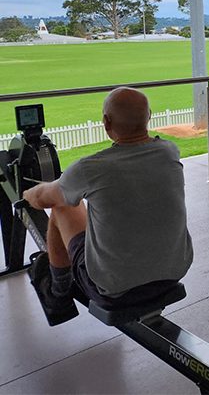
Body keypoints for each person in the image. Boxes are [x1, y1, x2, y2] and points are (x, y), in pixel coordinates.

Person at [22, 87, 194, 326]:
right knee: (75, 200)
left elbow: (45, 199)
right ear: (150, 116)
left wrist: (28, 193)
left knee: (63, 206)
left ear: (106, 122)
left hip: (114, 288)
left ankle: (57, 294)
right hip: (173, 273)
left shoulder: (90, 168)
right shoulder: (169, 151)